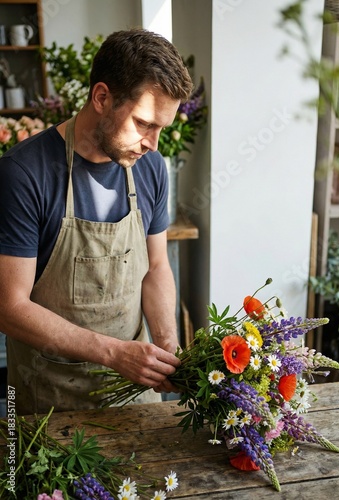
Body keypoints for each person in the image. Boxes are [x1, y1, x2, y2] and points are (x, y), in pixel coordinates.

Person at [0, 28, 194, 414]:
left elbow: (156, 267)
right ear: (102, 97)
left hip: (136, 395)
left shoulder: (151, 167)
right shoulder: (23, 174)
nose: (154, 144)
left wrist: (168, 344)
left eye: (161, 128)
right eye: (144, 124)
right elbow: (9, 307)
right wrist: (114, 353)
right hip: (49, 402)